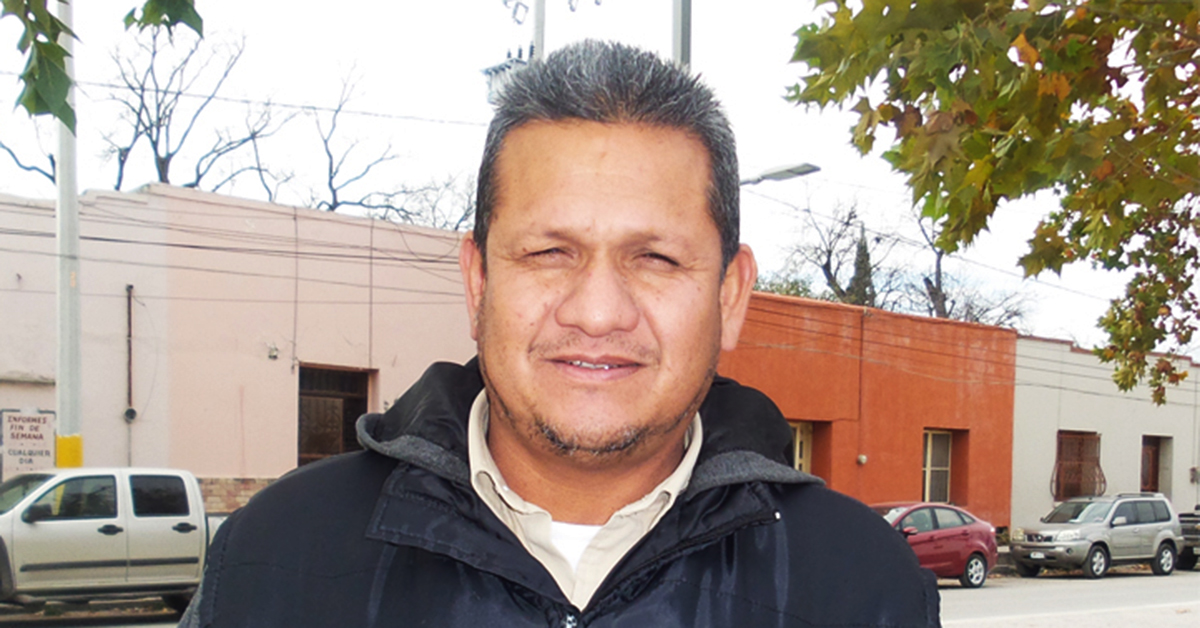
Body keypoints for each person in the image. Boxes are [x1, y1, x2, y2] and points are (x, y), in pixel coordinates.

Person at [181, 40, 940, 628]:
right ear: (478, 281)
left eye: (655, 258)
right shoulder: (274, 558)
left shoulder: (863, 586)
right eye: (550, 253)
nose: (598, 312)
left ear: (730, 295)